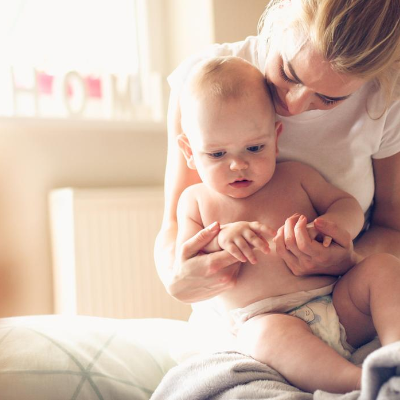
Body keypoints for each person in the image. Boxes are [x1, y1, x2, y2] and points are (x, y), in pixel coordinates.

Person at [154, 0, 400, 391]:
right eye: (288, 73)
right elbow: (178, 231)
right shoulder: (204, 88)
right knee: (263, 336)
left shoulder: (299, 174)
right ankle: (364, 385)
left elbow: (383, 223)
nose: (294, 104)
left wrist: (346, 248)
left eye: (330, 99)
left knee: (385, 269)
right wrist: (179, 273)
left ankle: (395, 362)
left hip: (338, 300)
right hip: (257, 323)